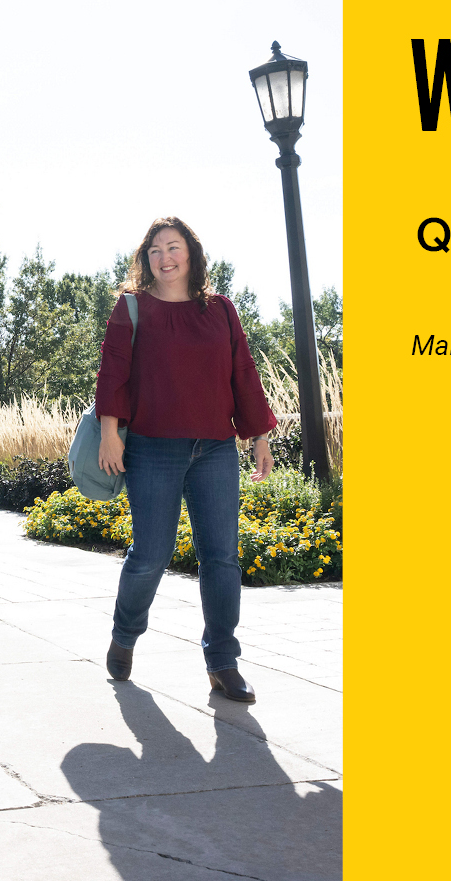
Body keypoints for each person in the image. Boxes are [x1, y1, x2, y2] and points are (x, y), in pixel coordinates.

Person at [95, 217, 275, 703]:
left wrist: (257, 433)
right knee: (150, 554)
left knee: (221, 558)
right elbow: (113, 372)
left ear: (191, 254)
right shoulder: (131, 308)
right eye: (155, 250)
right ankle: (125, 634)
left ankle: (223, 662)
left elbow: (242, 370)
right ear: (145, 258)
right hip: (152, 447)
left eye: (173, 247)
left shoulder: (221, 310)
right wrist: (110, 434)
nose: (164, 257)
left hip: (215, 447)